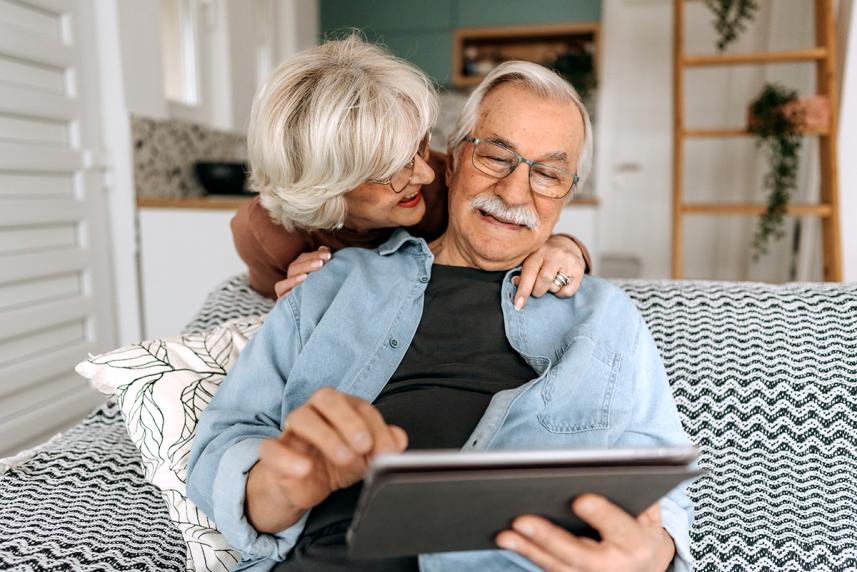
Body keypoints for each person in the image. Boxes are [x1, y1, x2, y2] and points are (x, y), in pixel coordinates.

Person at [187, 57, 694, 572]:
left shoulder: (606, 314)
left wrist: (647, 558)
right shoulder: (327, 284)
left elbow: (662, 490)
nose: (515, 193)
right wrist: (282, 488)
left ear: (567, 192)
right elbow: (222, 448)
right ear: (453, 161)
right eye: (497, 158)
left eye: (548, 174)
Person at [231, 35, 591, 307]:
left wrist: (565, 246)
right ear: (326, 184)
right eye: (392, 166)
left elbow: (510, 230)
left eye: (419, 144)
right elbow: (264, 307)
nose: (426, 174)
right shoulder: (264, 234)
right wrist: (287, 307)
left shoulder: (438, 190)